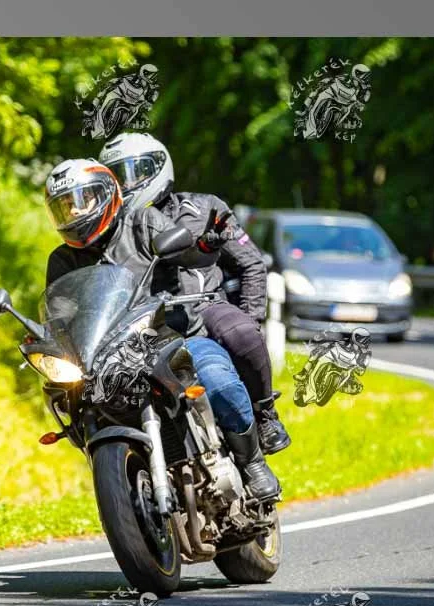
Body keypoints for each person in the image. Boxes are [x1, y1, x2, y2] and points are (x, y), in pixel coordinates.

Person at [43, 158, 279, 501]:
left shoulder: (143, 222)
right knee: (76, 402)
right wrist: (47, 339)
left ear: (106, 194)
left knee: (220, 383)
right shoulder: (62, 260)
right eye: (65, 207)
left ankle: (252, 462)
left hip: (178, 337)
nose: (75, 213)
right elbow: (60, 316)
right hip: (113, 360)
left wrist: (202, 247)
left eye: (82, 200)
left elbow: (189, 256)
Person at [98, 132, 291, 455]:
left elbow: (251, 264)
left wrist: (251, 316)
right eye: (118, 177)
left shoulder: (205, 207)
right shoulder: (112, 229)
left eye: (135, 172)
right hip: (143, 323)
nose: (127, 184)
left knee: (241, 332)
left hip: (204, 305)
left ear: (159, 167)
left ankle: (265, 414)